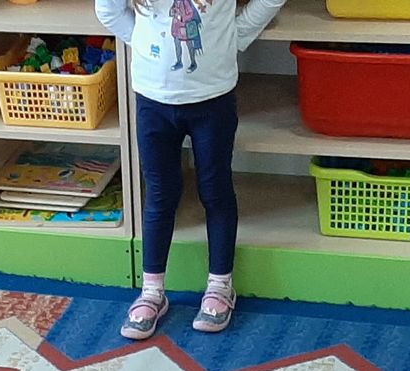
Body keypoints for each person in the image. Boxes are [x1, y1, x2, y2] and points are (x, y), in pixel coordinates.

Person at [95, 0, 286, 338]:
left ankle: (221, 285)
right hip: (153, 99)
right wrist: (142, 43)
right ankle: (152, 291)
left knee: (216, 191)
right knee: (160, 194)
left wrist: (237, 35)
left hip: (213, 100)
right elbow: (108, 9)